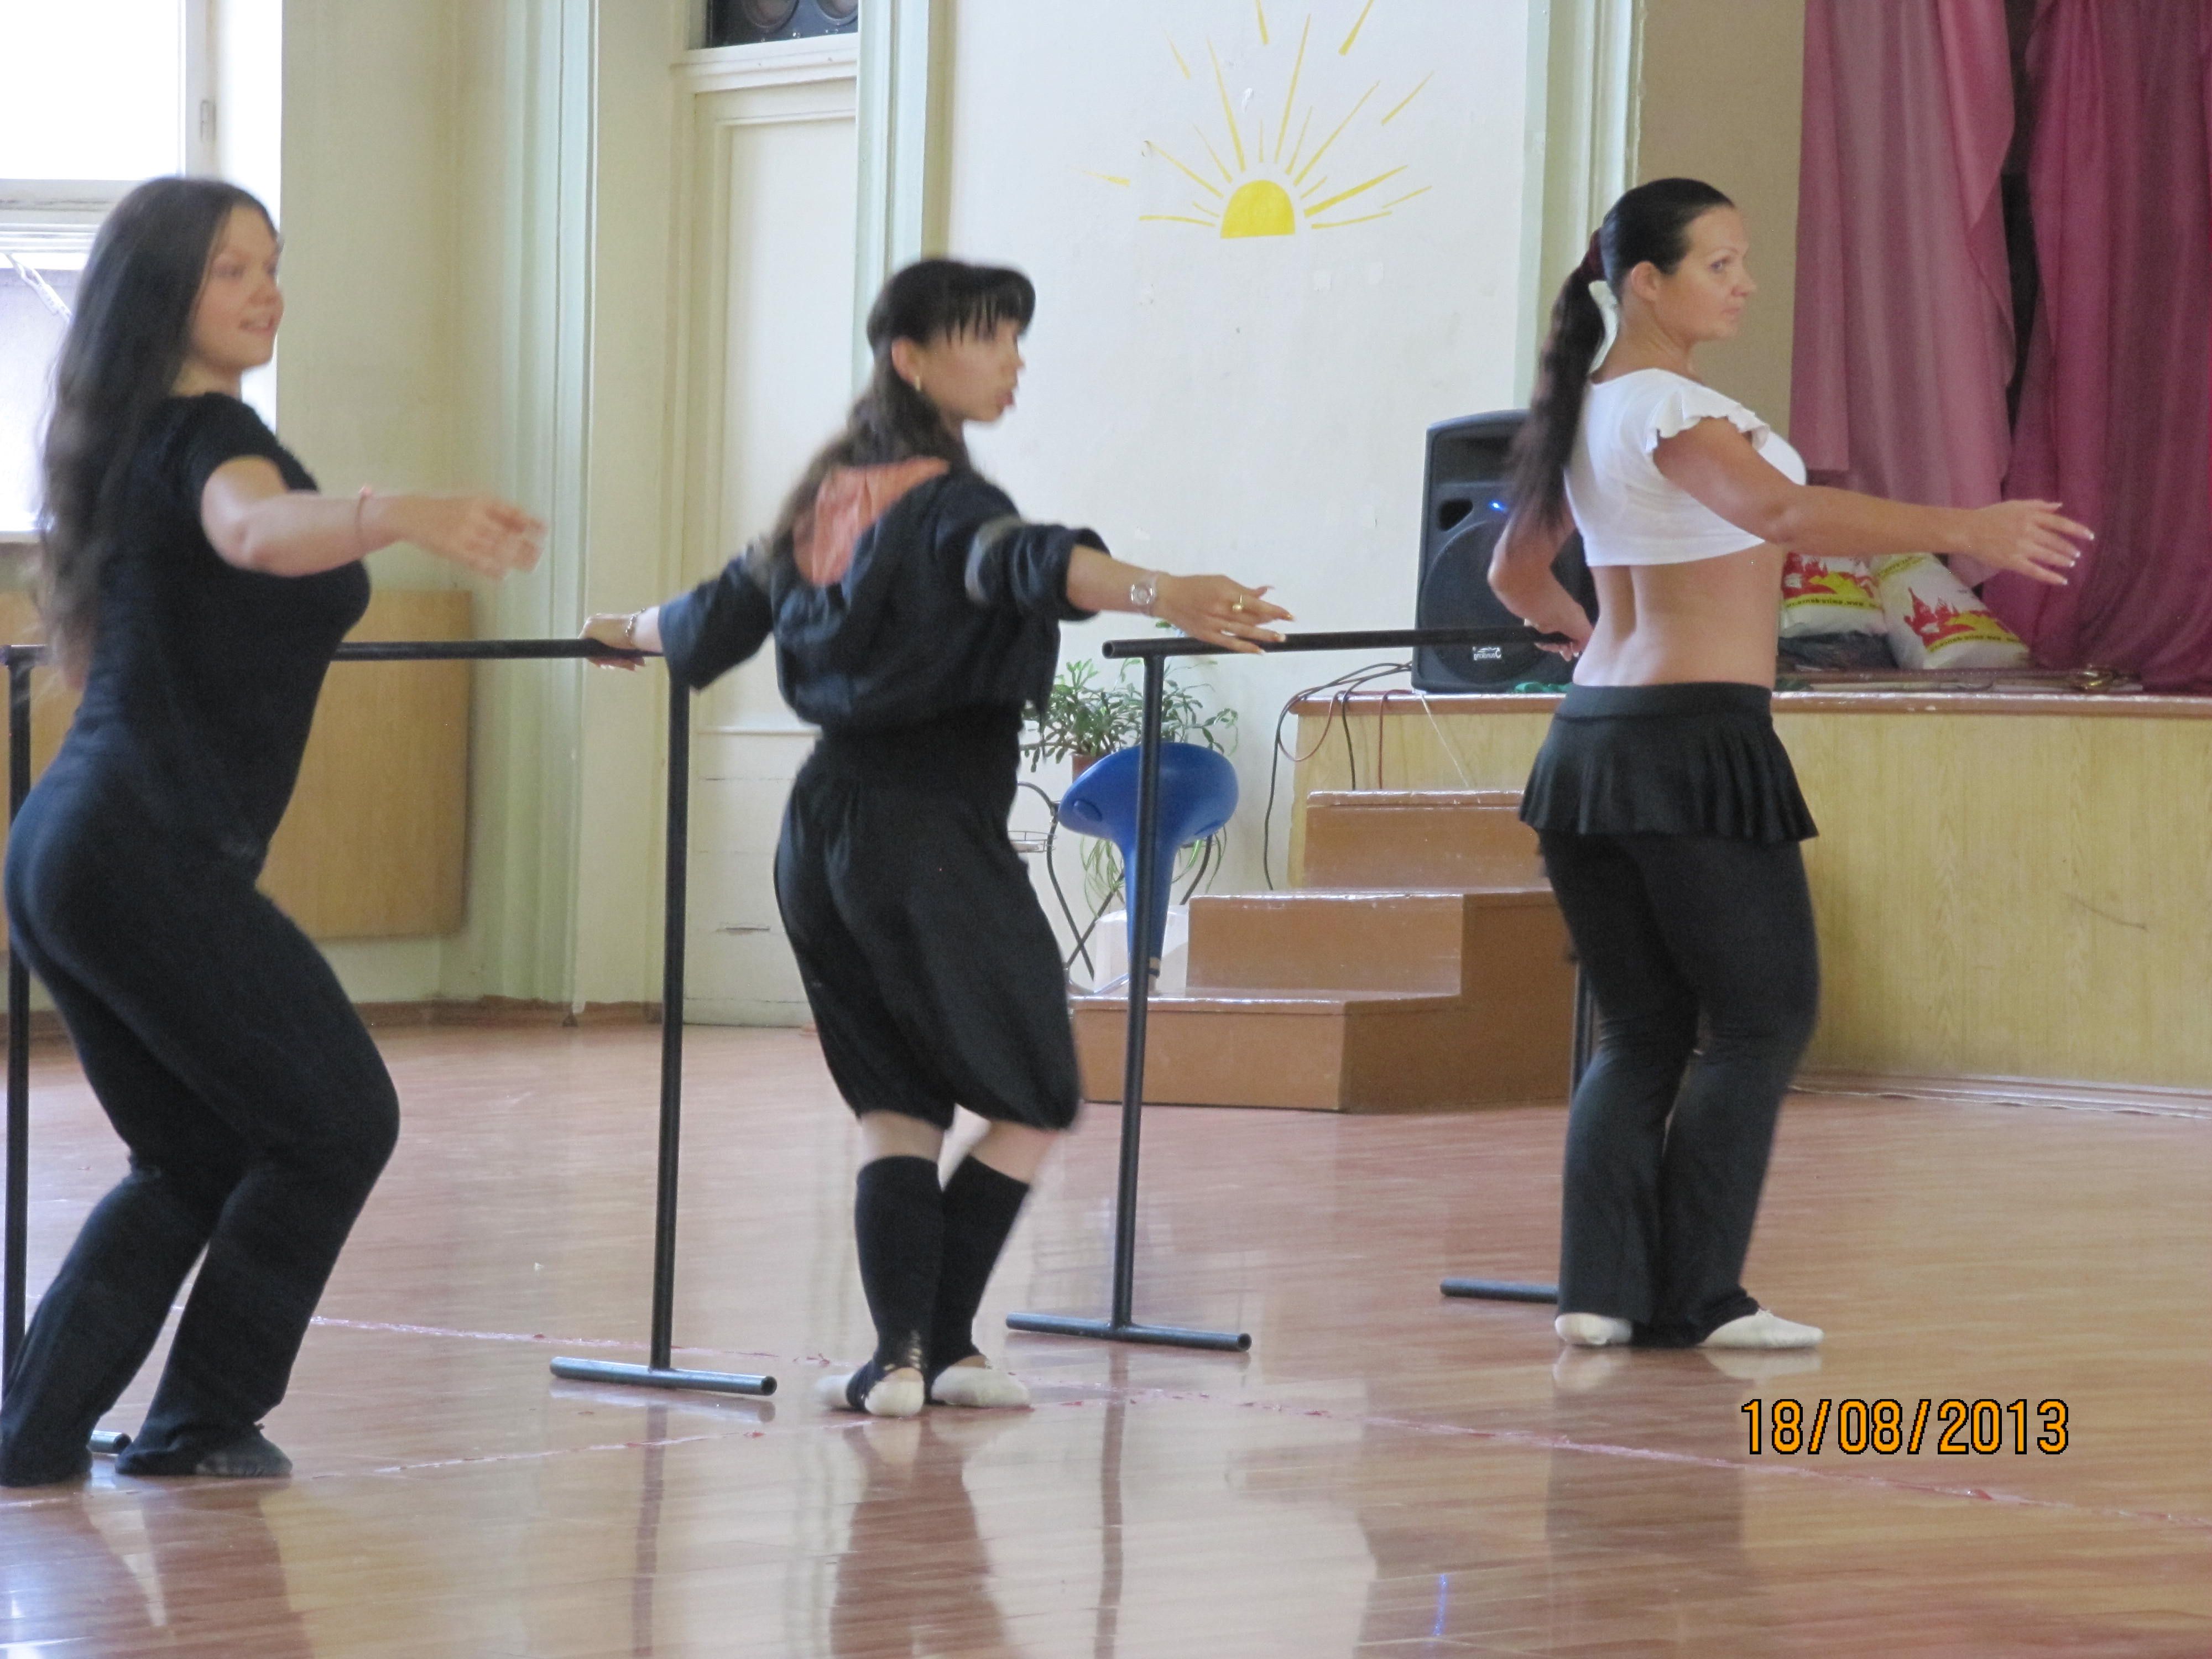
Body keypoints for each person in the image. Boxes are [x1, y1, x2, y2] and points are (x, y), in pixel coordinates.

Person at [585, 258, 1288, 1416]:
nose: (1013, 360)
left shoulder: (832, 497)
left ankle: (912, 1357)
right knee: (1038, 1092)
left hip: (825, 833)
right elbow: (1028, 562)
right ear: (911, 360)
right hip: (924, 834)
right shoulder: (949, 504)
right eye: (987, 338)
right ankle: (926, 1344)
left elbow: (720, 608)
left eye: (1015, 335)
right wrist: (1165, 591)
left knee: (898, 1103)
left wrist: (623, 629)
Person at [0, 178, 542, 1485]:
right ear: (163, 294)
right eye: (230, 269)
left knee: (190, 1152)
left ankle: (32, 1436)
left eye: (271, 263)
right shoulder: (204, 439)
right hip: (139, 852)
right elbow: (250, 530)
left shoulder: (140, 437)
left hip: (70, 849)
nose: (265, 290)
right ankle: (198, 1423)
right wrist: (394, 511)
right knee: (337, 1120)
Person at [1489, 178, 2087, 1350]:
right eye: (1718, 264)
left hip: (1589, 743)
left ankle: (1599, 1297)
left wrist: (1586, 632)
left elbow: (1514, 573)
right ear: (1645, 282)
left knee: (1640, 1032)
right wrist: (1965, 527)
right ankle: (1699, 1297)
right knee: (1763, 1019)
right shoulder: (1672, 406)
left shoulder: (1586, 412)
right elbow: (1785, 516)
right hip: (1691, 741)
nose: (1745, 284)